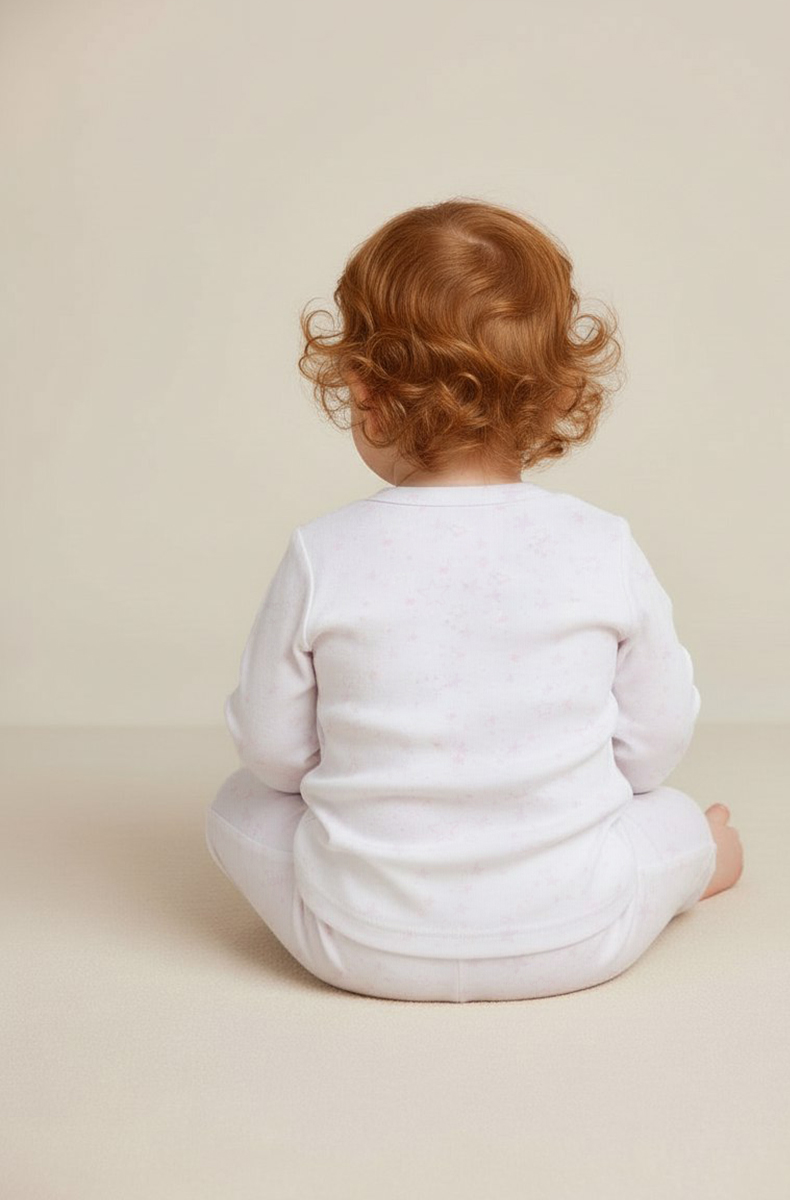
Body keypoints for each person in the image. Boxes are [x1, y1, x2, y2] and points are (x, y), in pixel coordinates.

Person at [206, 197, 743, 1003]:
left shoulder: (323, 553)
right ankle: (703, 860)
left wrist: (371, 781)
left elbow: (273, 756)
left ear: (363, 390)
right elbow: (652, 748)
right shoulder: (601, 545)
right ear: (558, 392)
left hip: (358, 943)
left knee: (238, 806)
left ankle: (369, 886)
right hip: (577, 935)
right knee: (668, 812)